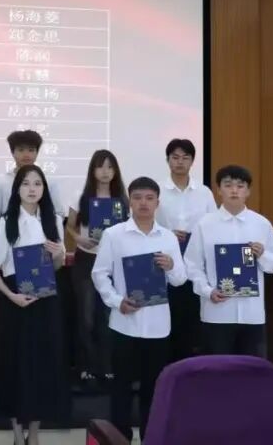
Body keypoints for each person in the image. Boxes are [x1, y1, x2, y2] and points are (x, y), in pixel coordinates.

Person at [91, 176, 186, 443]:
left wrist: (171, 266)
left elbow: (180, 280)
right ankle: (118, 438)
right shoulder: (114, 235)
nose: (143, 203)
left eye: (149, 198)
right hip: (124, 323)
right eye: (137, 198)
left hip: (158, 326)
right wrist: (116, 300)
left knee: (153, 389)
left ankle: (150, 437)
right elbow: (100, 274)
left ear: (157, 203)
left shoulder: (168, 237)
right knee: (120, 388)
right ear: (129, 202)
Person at [0, 165, 69, 444]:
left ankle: (33, 434)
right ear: (17, 189)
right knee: (14, 365)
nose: (32, 189)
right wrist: (11, 296)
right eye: (26, 184)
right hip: (14, 300)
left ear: (44, 189)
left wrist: (58, 255)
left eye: (37, 184)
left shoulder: (53, 220)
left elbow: (57, 267)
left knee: (42, 366)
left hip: (46, 300)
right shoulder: (5, 222)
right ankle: (17, 434)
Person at [184, 165, 273, 357]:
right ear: (219, 190)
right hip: (216, 312)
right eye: (228, 185)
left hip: (252, 314)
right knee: (216, 369)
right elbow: (192, 265)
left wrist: (262, 254)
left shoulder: (261, 224)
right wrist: (207, 291)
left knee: (251, 369)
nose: (234, 190)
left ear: (248, 191)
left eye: (240, 186)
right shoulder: (204, 224)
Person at [66, 149, 127, 382]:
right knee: (86, 315)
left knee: (108, 315)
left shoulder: (121, 199)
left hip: (112, 263)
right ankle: (86, 366)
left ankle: (107, 366)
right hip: (86, 259)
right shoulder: (80, 196)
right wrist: (78, 239)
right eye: (101, 166)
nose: (105, 172)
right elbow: (70, 226)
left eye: (110, 167)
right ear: (92, 170)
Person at [156, 138, 217, 361]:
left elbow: (213, 224)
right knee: (168, 314)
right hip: (165, 261)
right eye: (175, 157)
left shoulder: (204, 192)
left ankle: (189, 367)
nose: (180, 162)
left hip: (196, 260)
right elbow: (147, 223)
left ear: (192, 161)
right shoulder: (157, 191)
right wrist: (168, 235)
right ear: (167, 160)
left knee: (192, 316)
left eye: (185, 158)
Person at [0, 130, 64, 232]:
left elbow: (59, 213)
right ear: (12, 152)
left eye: (31, 150)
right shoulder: (1, 181)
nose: (26, 155)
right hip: (10, 235)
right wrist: (9, 226)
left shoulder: (49, 181)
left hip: (41, 236)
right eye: (21, 150)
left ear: (37, 152)